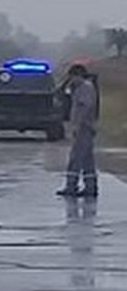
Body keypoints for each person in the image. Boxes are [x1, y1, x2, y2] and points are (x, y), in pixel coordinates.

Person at [57, 63, 100, 199]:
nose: (71, 80)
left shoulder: (85, 88)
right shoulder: (83, 87)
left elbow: (84, 107)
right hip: (86, 127)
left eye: (72, 77)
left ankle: (71, 186)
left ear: (77, 75)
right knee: (87, 159)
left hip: (84, 128)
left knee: (76, 158)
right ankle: (90, 186)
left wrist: (76, 125)